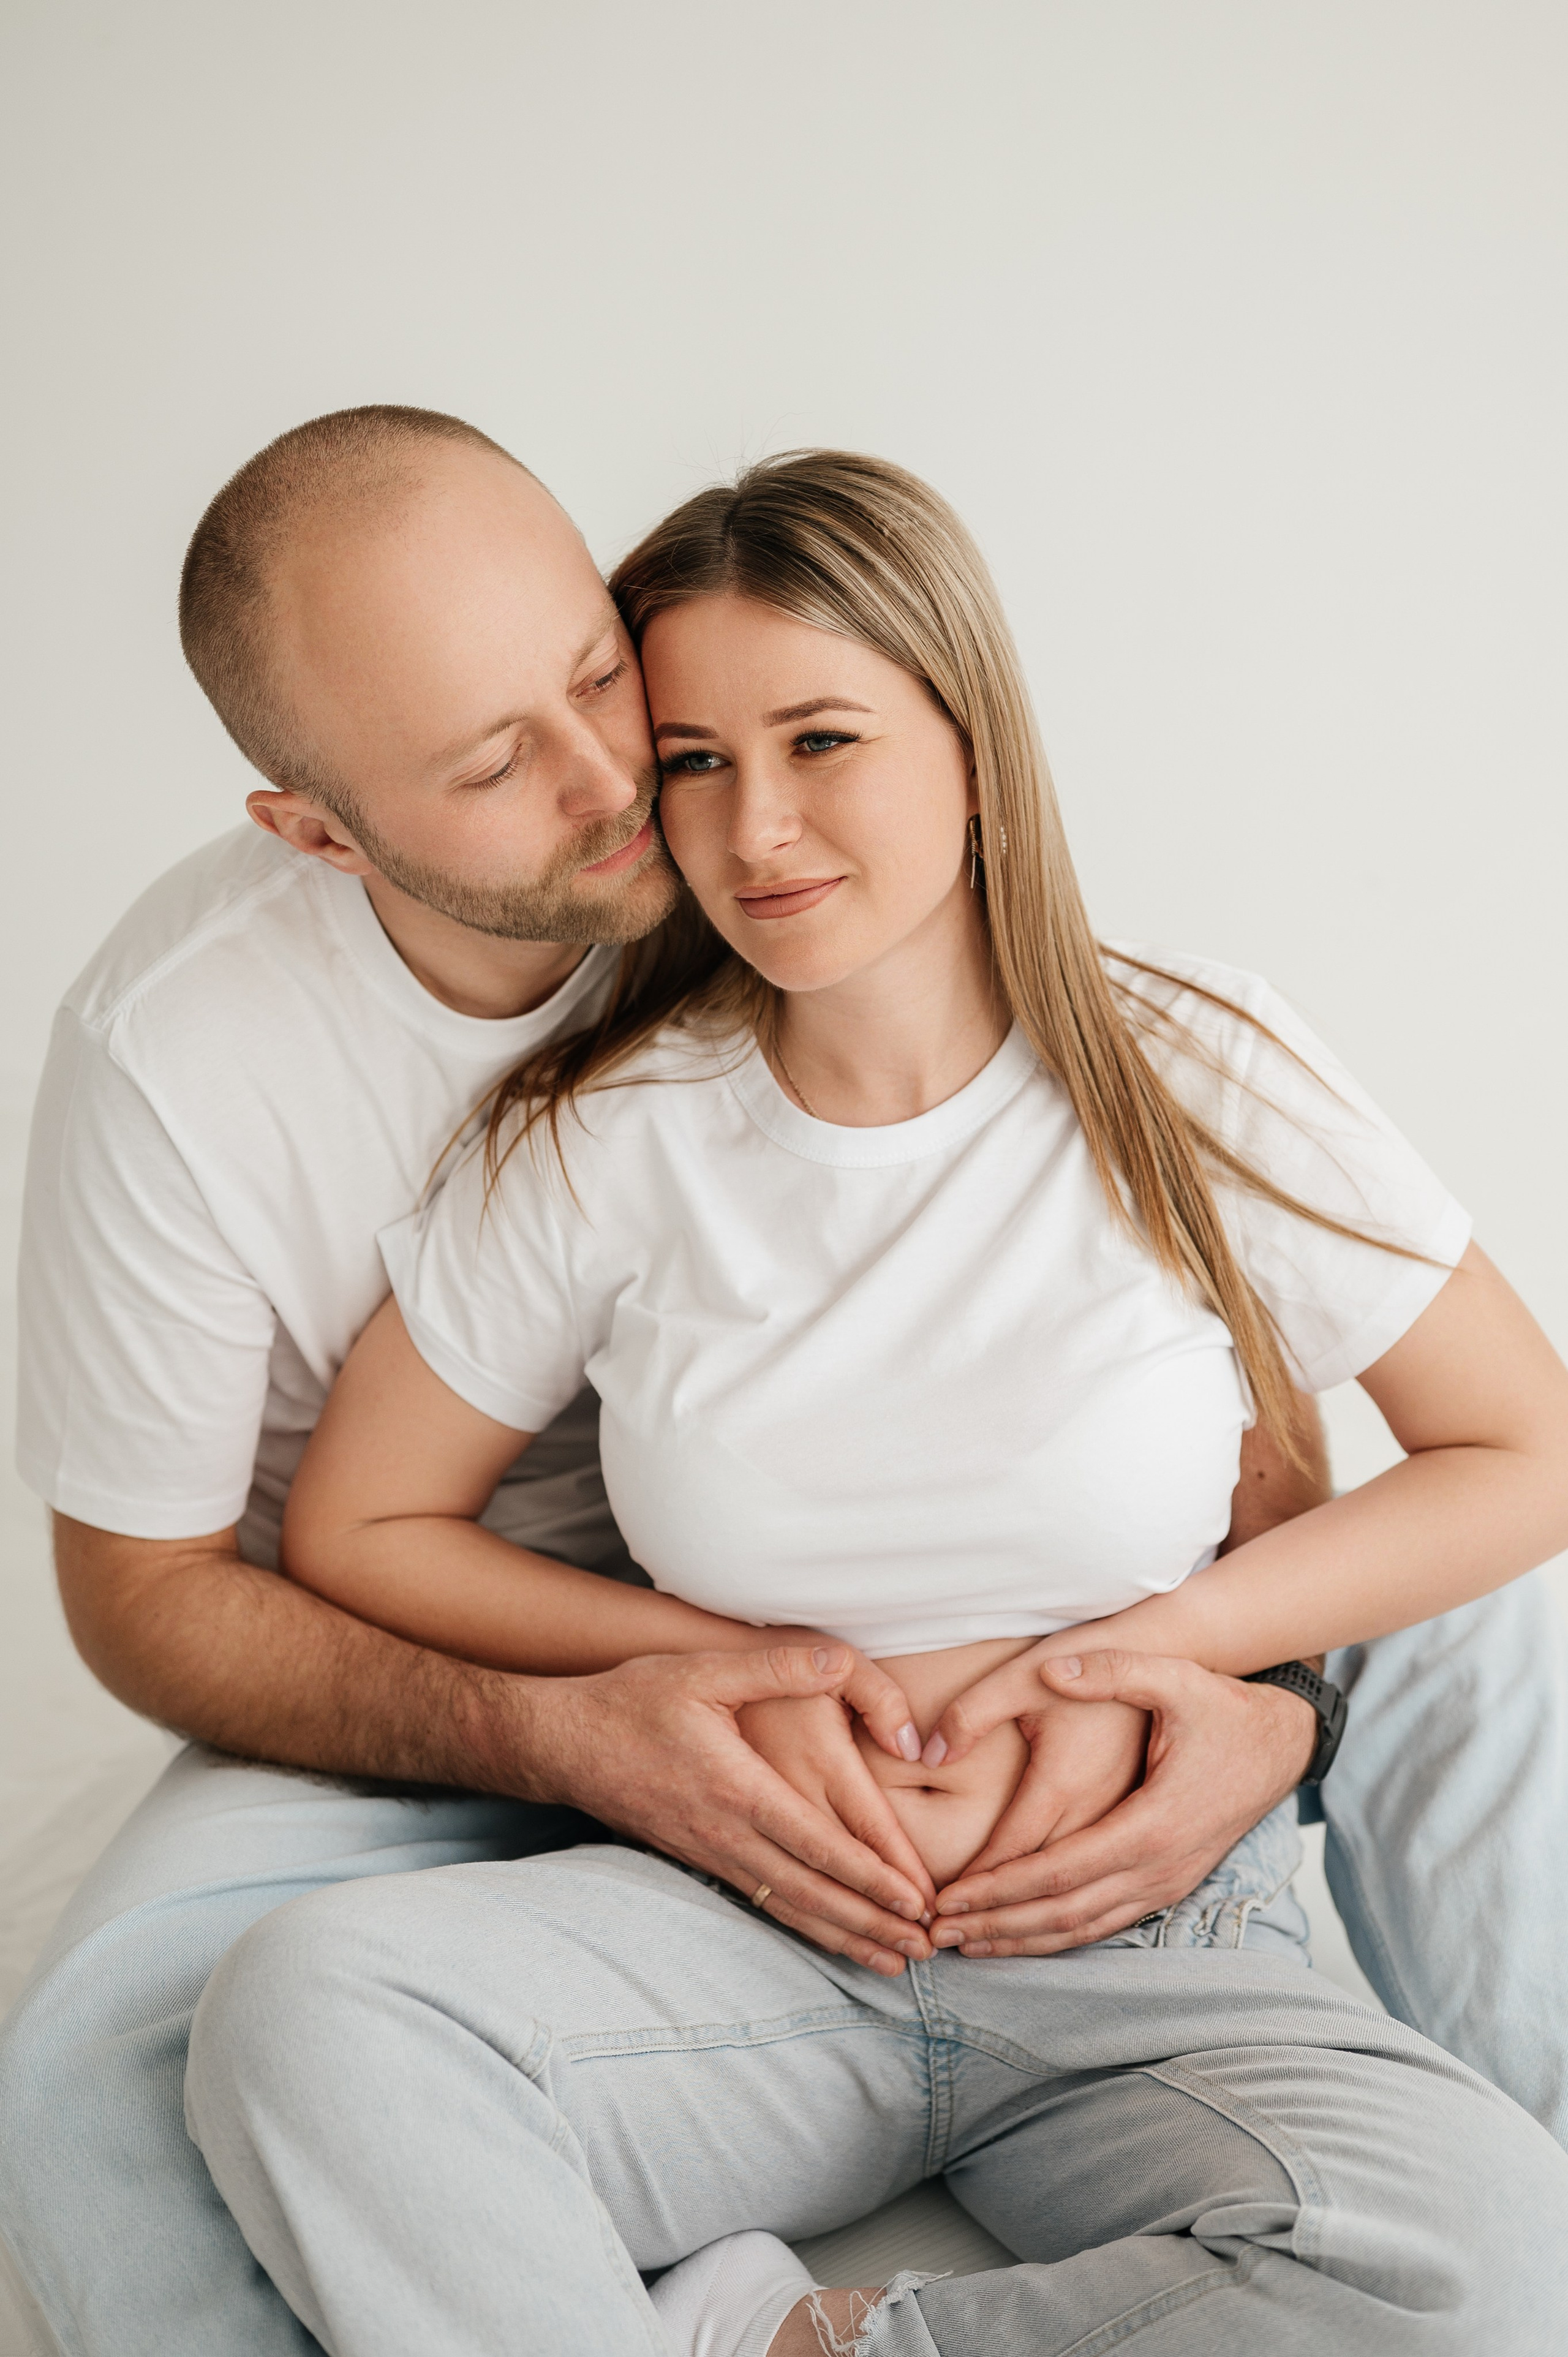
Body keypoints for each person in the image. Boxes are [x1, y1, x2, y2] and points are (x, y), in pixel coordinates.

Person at [0, 409, 1561, 2354]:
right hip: (682, 1847)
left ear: (974, 737)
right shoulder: (490, 1109)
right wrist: (644, 1700)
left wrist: (1217, 1672)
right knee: (220, 2045)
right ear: (322, 832)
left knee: (1500, 2209)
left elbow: (1416, 1428)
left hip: (1126, 1925)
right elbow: (227, 1568)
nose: (684, 816)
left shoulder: (1173, 1055)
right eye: (677, 760)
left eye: (608, 690)